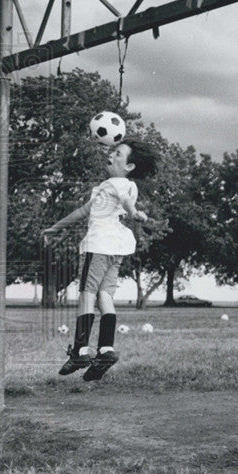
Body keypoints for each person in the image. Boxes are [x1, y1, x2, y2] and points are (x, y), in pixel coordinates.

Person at [43, 140, 159, 381]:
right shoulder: (121, 186)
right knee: (104, 296)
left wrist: (134, 213)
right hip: (116, 248)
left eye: (118, 154)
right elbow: (84, 211)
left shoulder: (114, 183)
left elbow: (126, 202)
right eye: (112, 151)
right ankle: (106, 349)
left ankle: (80, 351)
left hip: (98, 245)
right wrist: (55, 228)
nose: (112, 155)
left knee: (87, 292)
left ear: (129, 166)